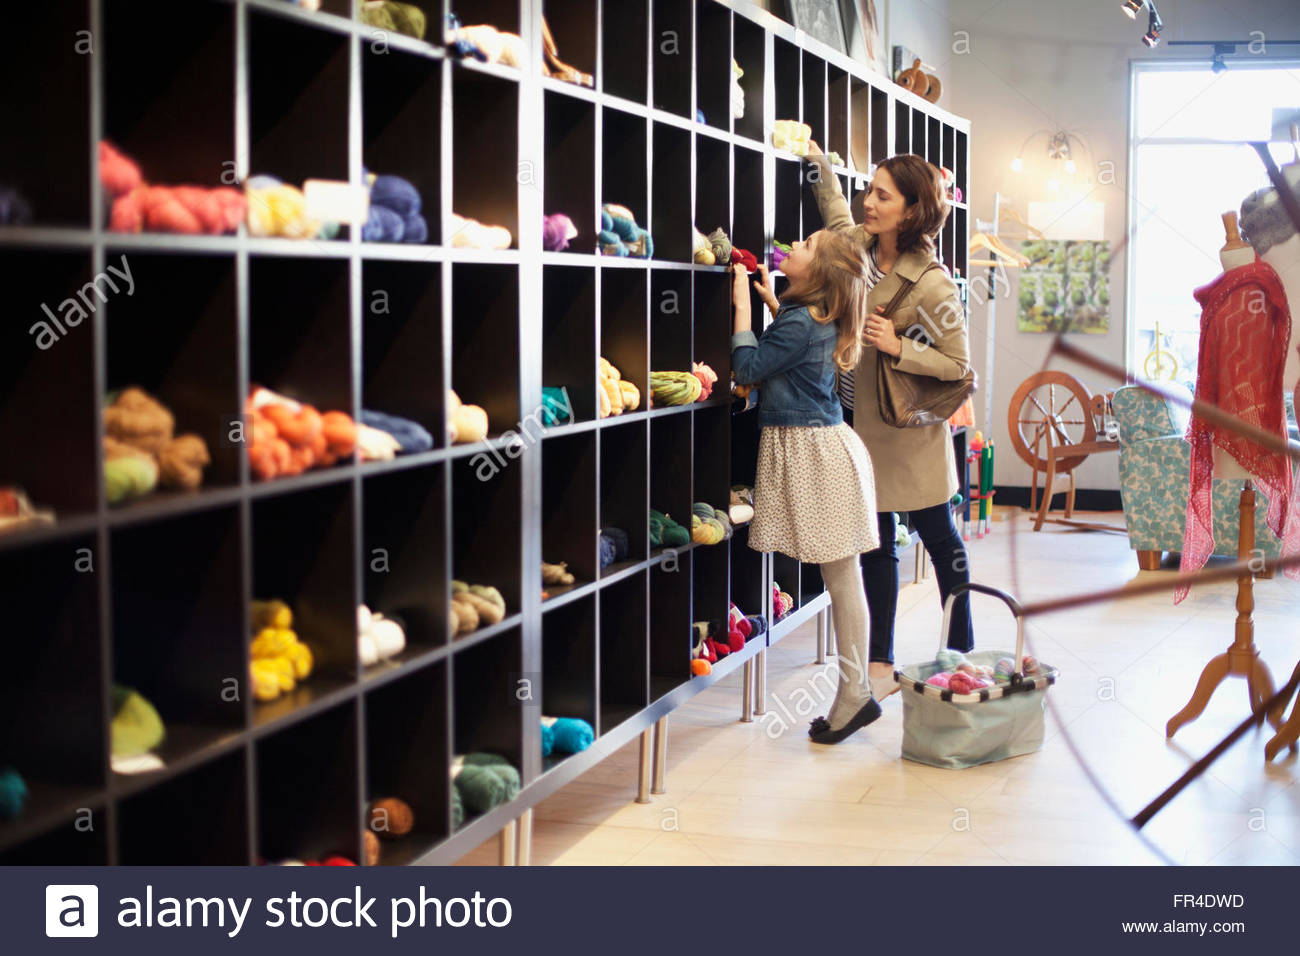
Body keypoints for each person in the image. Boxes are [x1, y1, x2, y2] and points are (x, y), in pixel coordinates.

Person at [806, 143, 975, 700]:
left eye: (882, 195)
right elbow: (836, 220)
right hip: (853, 426)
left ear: (912, 210)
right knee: (876, 546)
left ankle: (964, 651)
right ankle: (880, 663)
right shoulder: (857, 247)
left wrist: (900, 346)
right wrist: (821, 170)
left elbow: (958, 365)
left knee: (941, 539)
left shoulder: (931, 282)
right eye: (869, 191)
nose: (868, 202)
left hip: (908, 439)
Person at [731, 229, 882, 744]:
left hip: (816, 455)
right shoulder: (813, 317)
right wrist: (774, 305)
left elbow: (748, 366)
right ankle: (855, 691)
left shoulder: (799, 322)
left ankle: (855, 694)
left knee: (842, 579)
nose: (794, 244)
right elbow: (790, 357)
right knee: (845, 577)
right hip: (827, 448)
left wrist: (742, 310)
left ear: (820, 274)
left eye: (808, 245)